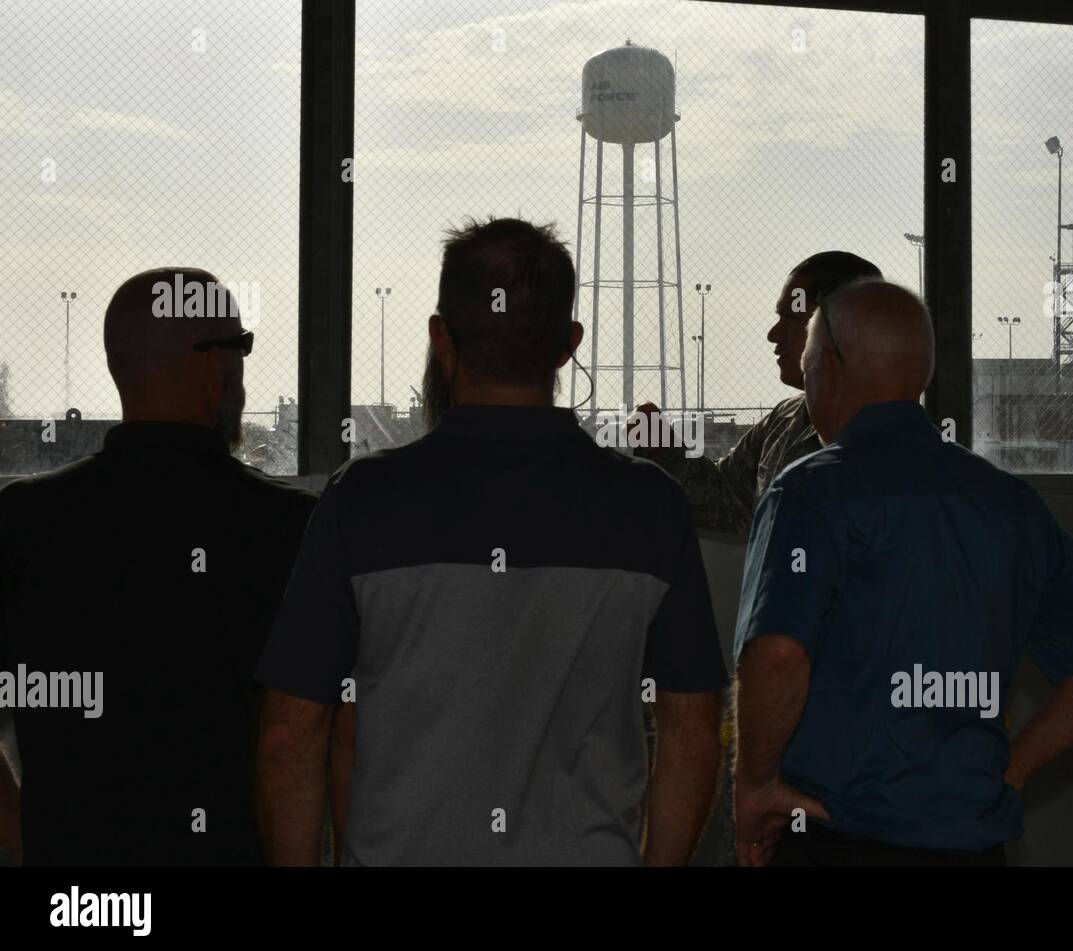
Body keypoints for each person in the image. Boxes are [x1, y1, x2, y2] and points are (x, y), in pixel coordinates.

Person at [256, 217, 727, 866]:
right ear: (568, 345)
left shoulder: (362, 501)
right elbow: (693, 729)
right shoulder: (650, 507)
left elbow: (292, 732)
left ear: (440, 339)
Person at [732, 278, 1073, 866]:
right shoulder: (1007, 502)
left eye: (806, 364)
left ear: (830, 366)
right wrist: (1013, 769)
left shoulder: (807, 492)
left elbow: (778, 655)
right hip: (971, 844)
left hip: (837, 835)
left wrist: (755, 786)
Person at [0, 268, 315, 865]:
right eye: (240, 348)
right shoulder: (289, 528)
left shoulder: (24, 521)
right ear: (214, 366)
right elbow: (293, 740)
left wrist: (30, 836)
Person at [633, 251, 881, 535]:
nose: (773, 334)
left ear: (841, 327)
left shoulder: (891, 448)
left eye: (791, 317)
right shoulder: (785, 419)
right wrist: (665, 450)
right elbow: (726, 500)